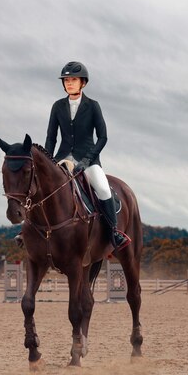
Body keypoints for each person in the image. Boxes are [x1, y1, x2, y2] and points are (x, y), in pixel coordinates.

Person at [45, 61, 130, 250]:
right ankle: (30, 229)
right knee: (43, 189)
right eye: (66, 80)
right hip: (62, 159)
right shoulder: (57, 106)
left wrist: (86, 160)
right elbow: (51, 138)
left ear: (83, 83)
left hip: (88, 160)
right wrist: (49, 162)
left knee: (103, 189)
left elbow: (103, 137)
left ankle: (114, 232)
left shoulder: (92, 106)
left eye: (73, 80)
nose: (69, 83)